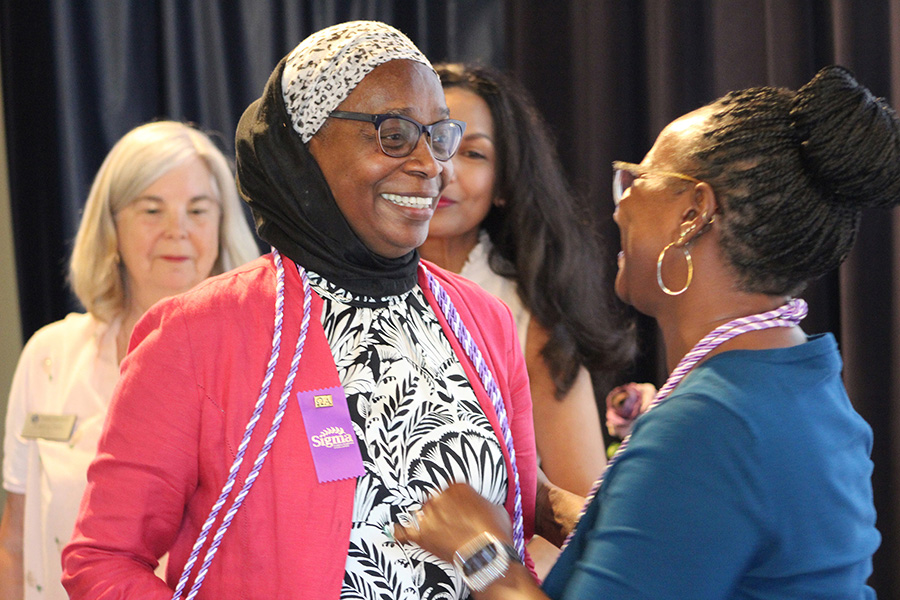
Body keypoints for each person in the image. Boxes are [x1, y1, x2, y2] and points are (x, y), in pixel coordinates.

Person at [60, 21, 539, 599]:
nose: (431, 165)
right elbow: (104, 560)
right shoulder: (196, 335)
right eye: (392, 134)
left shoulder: (484, 324)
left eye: (438, 136)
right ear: (304, 147)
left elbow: (514, 545)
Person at [394, 64, 891, 598]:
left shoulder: (712, 424)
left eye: (639, 179)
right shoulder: (800, 373)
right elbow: (685, 541)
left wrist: (479, 551)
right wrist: (551, 506)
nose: (620, 205)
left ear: (693, 213)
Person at [0, 120, 260, 600]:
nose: (176, 231)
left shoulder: (258, 365)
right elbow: (14, 538)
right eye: (151, 209)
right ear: (111, 227)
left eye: (198, 210)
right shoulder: (48, 355)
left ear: (222, 227)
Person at [420, 63, 635, 497]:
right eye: (433, 141)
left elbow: (580, 505)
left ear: (504, 184)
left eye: (473, 153)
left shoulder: (531, 315)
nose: (444, 169)